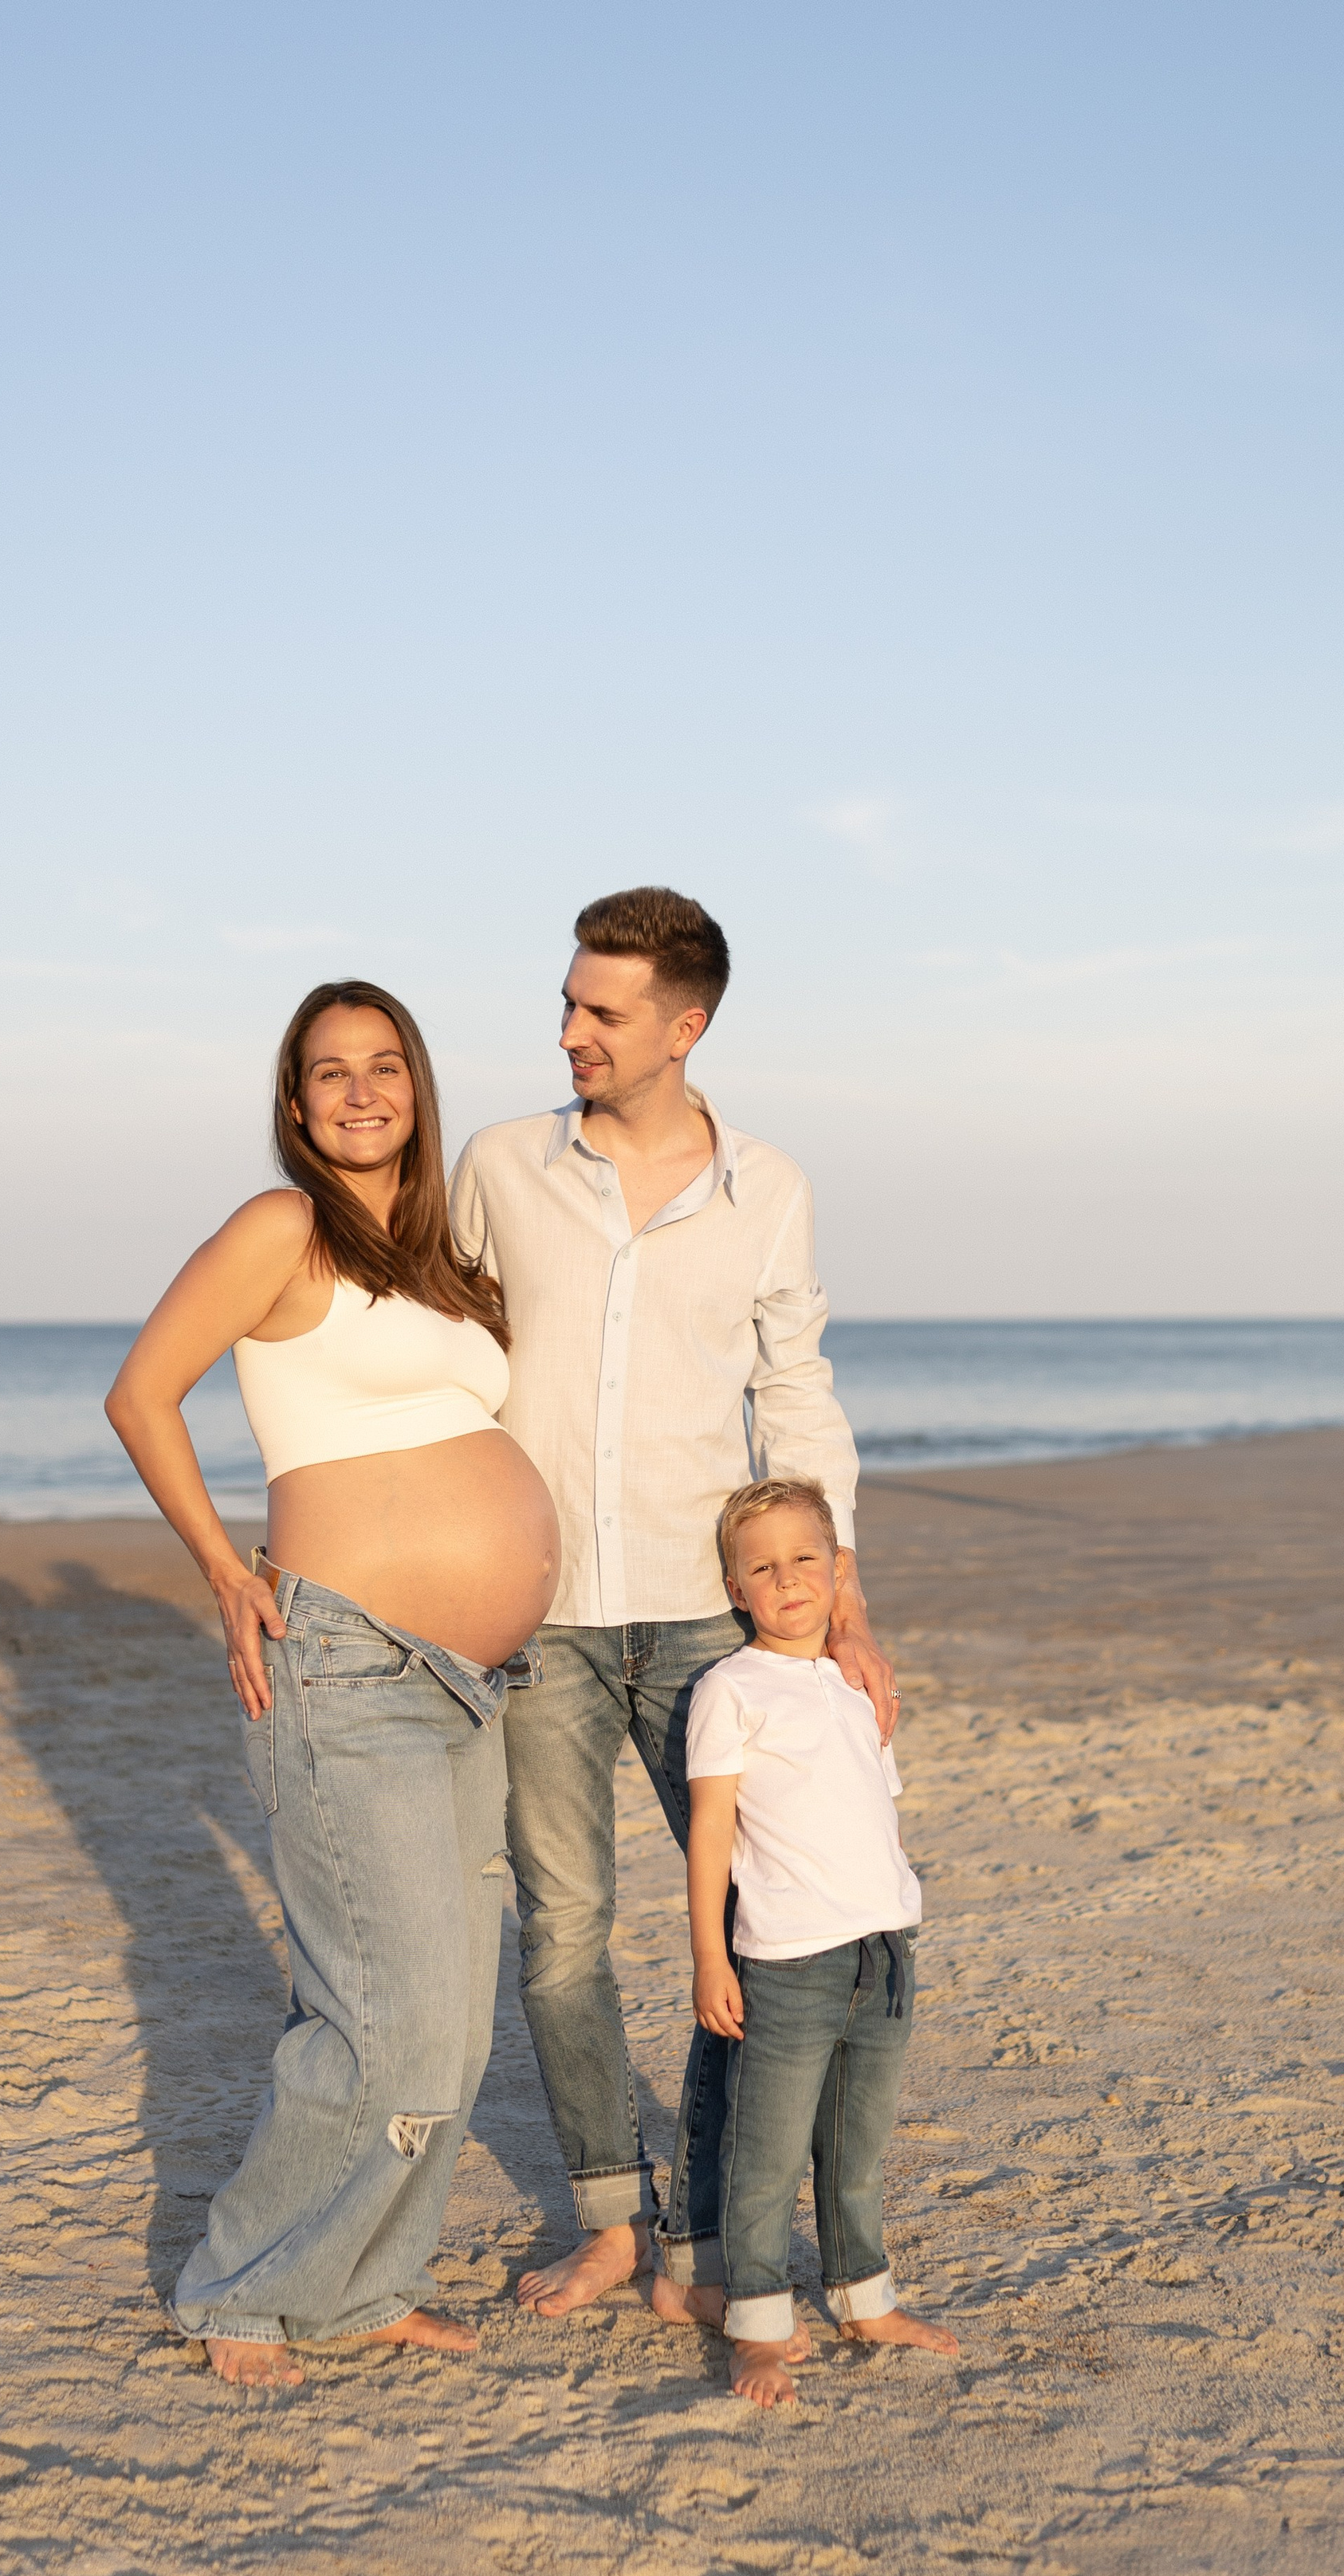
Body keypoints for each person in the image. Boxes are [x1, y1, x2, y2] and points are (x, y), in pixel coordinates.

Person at [447, 886, 897, 2322]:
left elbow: (797, 1394)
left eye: (603, 1010)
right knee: (564, 1931)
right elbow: (442, 1361)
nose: (569, 1029)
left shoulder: (769, 1188)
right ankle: (610, 2216)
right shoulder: (502, 1165)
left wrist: (845, 1600)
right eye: (570, 1002)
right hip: (540, 1615)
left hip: (709, 1622)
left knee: (760, 1918)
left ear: (684, 1026)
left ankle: (709, 2227)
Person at [106, 981, 559, 2387]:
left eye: (384, 1067)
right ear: (294, 1104)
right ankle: (246, 2288)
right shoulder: (280, 1229)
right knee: (380, 2008)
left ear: (416, 1085)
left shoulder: (437, 1260)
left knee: (455, 2008)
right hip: (347, 1662)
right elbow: (141, 1391)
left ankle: (366, 2283)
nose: (360, 1091)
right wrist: (223, 1575)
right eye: (328, 1072)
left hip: (469, 1681)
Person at [681, 1477, 957, 2405]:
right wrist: (710, 1959)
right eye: (761, 1566)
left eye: (805, 1558)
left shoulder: (854, 1680)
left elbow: (875, 1808)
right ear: (735, 1587)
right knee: (763, 2152)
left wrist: (897, 1918)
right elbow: (711, 1832)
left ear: (838, 1571)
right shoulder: (728, 1688)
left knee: (856, 2144)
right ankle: (755, 2324)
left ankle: (864, 2298)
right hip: (788, 1961)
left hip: (882, 1949)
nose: (786, 1579)